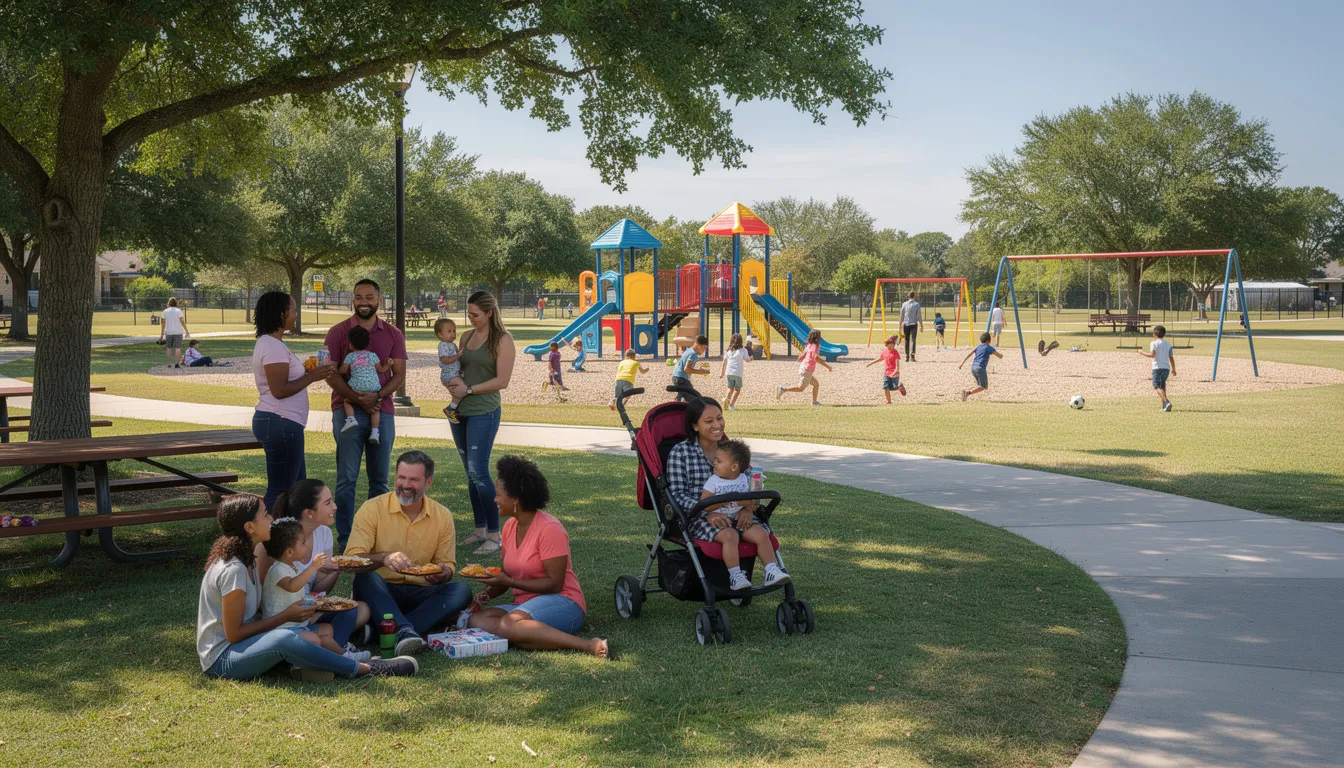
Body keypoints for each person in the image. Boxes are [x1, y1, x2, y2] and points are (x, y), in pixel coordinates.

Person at [196, 493, 417, 681]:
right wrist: (284, 617)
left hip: (249, 644)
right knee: (284, 638)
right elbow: (234, 636)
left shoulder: (248, 559)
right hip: (223, 658)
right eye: (265, 514)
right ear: (249, 527)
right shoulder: (233, 570)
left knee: (315, 632)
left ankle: (308, 667)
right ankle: (365, 669)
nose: (272, 518)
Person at [463, 456, 609, 659]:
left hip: (564, 602)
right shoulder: (510, 526)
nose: (494, 500)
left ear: (515, 499)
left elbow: (555, 584)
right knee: (477, 621)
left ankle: (588, 645)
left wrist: (511, 581)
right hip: (524, 607)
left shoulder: (549, 529)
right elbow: (506, 576)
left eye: (498, 495)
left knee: (507, 624)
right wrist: (484, 595)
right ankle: (523, 633)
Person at [347, 451, 474, 656]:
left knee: (461, 590)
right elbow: (351, 560)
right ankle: (405, 631)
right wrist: (383, 558)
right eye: (401, 477)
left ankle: (388, 630)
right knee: (365, 577)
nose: (405, 485)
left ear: (428, 482)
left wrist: (443, 573)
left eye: (414, 480)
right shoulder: (372, 509)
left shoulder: (443, 516)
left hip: (421, 592)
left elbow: (447, 564)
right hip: (382, 590)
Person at [666, 399, 789, 590]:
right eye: (708, 421)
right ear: (695, 426)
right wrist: (707, 511)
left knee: (762, 532)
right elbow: (678, 495)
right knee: (730, 533)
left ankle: (772, 570)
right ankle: (736, 576)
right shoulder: (680, 453)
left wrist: (749, 508)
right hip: (701, 518)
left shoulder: (730, 450)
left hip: (739, 513)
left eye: (719, 418)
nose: (717, 425)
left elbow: (752, 484)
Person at [323, 279, 408, 550]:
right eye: (358, 297)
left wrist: (378, 397)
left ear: (378, 301)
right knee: (346, 478)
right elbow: (331, 373)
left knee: (380, 479)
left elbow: (399, 375)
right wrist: (356, 398)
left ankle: (376, 537)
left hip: (381, 413)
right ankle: (347, 539)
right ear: (352, 299)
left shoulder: (393, 334)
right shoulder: (338, 332)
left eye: (369, 297)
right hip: (346, 411)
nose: (363, 302)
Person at [257, 478, 369, 655]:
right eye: (328, 502)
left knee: (360, 609)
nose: (335, 507)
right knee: (331, 626)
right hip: (284, 617)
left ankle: (327, 647)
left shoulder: (324, 533)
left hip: (309, 609)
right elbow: (264, 600)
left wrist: (336, 569)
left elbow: (319, 588)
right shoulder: (276, 543)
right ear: (309, 512)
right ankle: (333, 649)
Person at [445, 291, 516, 555]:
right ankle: (480, 529)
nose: (470, 318)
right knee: (470, 474)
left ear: (489, 313)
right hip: (459, 411)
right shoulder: (466, 337)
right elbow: (458, 369)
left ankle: (495, 535)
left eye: (475, 314)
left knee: (479, 471)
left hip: (483, 412)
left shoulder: (503, 340)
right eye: (469, 314)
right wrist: (450, 379)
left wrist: (469, 390)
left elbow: (502, 381)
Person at [251, 291, 334, 512]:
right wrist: (312, 377)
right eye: (294, 309)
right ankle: (267, 541)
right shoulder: (271, 345)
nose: (296, 314)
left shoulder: (273, 343)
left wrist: (309, 370)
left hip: (285, 422)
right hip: (279, 421)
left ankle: (292, 540)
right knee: (281, 491)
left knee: (296, 490)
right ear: (281, 313)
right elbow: (278, 390)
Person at [339, 325, 394, 445]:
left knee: (347, 401)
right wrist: (389, 365)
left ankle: (351, 419)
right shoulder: (372, 356)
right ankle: (375, 432)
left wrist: (338, 368)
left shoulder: (350, 356)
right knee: (375, 409)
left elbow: (343, 371)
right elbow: (381, 369)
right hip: (374, 387)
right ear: (368, 344)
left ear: (351, 345)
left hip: (357, 386)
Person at [777, 329, 832, 406]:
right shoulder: (816, 346)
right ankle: (783, 389)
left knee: (816, 384)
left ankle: (814, 402)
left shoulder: (808, 344)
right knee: (801, 388)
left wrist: (801, 357)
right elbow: (815, 358)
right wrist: (828, 366)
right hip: (807, 370)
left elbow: (803, 354)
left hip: (804, 367)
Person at [1139, 324, 1176, 412]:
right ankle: (1164, 407)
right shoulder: (1168, 344)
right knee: (1162, 387)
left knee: (1156, 386)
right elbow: (1171, 357)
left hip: (1157, 368)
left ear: (1155, 334)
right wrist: (1174, 369)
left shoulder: (1154, 343)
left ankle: (1166, 403)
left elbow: (1152, 355)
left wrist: (1141, 352)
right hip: (1166, 368)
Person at [436, 318, 465, 423]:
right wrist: (459, 355)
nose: (453, 334)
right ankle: (451, 409)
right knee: (463, 389)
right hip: (449, 375)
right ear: (440, 335)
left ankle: (454, 408)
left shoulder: (452, 345)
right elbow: (446, 360)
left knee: (458, 393)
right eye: (449, 331)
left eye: (454, 331)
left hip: (454, 374)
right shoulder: (443, 345)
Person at [960, 332, 1003, 401]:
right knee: (984, 386)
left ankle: (967, 392)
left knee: (980, 385)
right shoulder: (988, 347)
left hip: (973, 368)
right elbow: (999, 355)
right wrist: (1001, 355)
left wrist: (962, 363)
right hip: (980, 368)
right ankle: (967, 392)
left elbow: (969, 354)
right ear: (988, 341)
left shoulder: (978, 347)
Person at [865, 334, 906, 403]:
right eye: (889, 346)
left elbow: (897, 366)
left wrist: (895, 372)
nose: (891, 347)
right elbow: (880, 358)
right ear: (886, 345)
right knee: (886, 387)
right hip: (886, 373)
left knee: (893, 387)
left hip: (894, 373)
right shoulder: (885, 352)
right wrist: (871, 363)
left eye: (892, 346)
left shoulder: (895, 353)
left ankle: (899, 387)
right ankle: (889, 401)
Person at [672, 334, 710, 399]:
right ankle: (679, 400)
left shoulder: (689, 350)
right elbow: (687, 369)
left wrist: (699, 370)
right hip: (681, 379)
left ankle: (680, 398)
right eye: (705, 348)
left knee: (691, 397)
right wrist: (701, 372)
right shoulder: (693, 354)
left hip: (677, 377)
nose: (705, 350)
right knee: (696, 400)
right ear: (699, 345)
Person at [719, 333, 750, 411]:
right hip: (738, 372)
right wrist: (751, 358)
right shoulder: (743, 350)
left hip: (728, 372)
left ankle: (727, 400)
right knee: (737, 390)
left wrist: (722, 373)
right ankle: (731, 405)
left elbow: (724, 362)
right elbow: (747, 360)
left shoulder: (728, 351)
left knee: (730, 388)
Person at [159, 296, 190, 368]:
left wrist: (162, 334)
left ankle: (169, 364)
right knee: (177, 348)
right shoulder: (178, 311)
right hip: (178, 332)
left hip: (168, 332)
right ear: (176, 303)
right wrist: (187, 331)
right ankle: (176, 364)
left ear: (169, 303)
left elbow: (163, 323)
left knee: (169, 348)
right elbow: (182, 321)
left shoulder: (165, 311)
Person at [900, 292, 923, 361]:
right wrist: (921, 325)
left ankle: (907, 356)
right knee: (913, 340)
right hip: (913, 324)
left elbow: (902, 315)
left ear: (908, 296)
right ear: (914, 296)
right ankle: (912, 356)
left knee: (906, 340)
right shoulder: (916, 304)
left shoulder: (904, 304)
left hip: (906, 324)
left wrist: (900, 324)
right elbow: (919, 316)